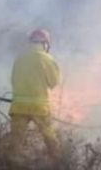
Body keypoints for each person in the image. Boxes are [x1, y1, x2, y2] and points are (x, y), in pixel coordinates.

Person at [8, 28, 62, 163]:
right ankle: (59, 167)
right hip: (40, 107)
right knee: (50, 139)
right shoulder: (46, 58)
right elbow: (54, 82)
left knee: (16, 142)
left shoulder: (19, 58)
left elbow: (13, 79)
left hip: (18, 106)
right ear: (45, 43)